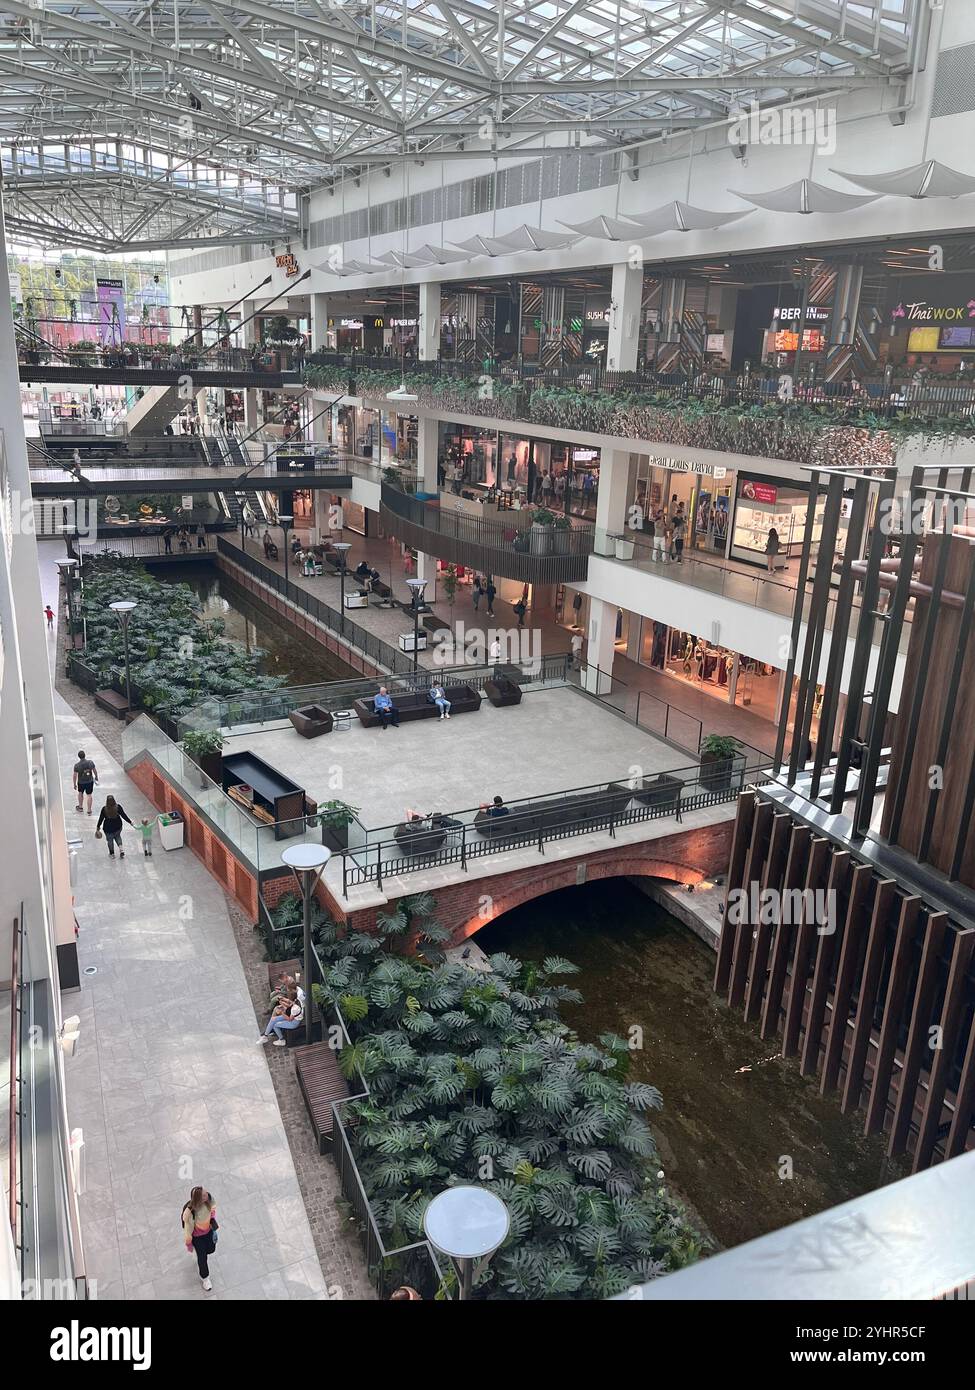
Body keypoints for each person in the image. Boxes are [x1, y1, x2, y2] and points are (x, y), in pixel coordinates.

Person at [182, 1186, 218, 1292]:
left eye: (206, 1193)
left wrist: (212, 1220)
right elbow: (188, 1229)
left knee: (211, 1249)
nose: (206, 1195)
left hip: (209, 1231)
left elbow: (213, 1208)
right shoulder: (192, 1213)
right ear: (198, 1198)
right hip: (198, 1238)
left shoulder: (209, 1200)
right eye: (204, 1195)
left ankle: (200, 1253)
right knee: (202, 1259)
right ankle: (205, 1278)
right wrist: (189, 1243)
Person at [73, 749, 98, 814]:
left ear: (79, 757)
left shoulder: (77, 765)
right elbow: (94, 770)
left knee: (80, 793)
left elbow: (75, 775)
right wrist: (96, 776)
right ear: (85, 755)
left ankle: (80, 807)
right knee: (89, 795)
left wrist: (74, 784)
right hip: (89, 781)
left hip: (81, 782)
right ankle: (89, 810)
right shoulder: (90, 762)